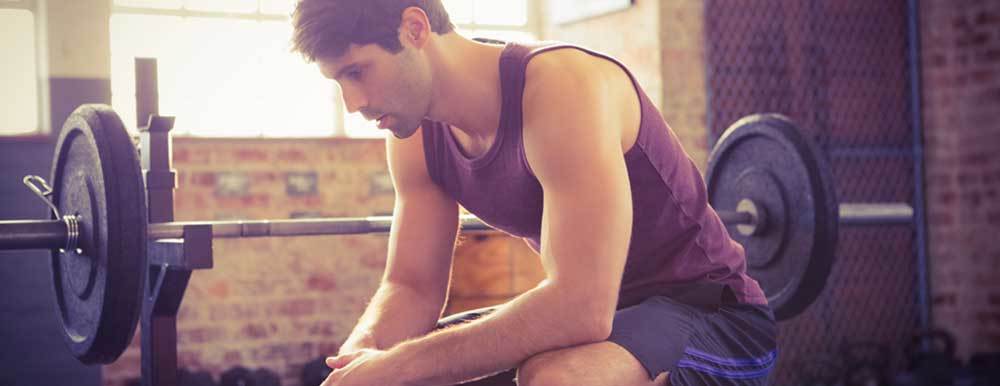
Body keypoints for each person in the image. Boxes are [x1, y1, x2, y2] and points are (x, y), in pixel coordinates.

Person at [291, 1, 777, 385]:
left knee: (556, 380)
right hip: (608, 325)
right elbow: (411, 288)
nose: (352, 103)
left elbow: (579, 308)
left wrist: (398, 367)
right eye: (339, 82)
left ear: (414, 29)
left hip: (714, 319)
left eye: (357, 72)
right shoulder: (413, 136)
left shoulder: (561, 88)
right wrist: (359, 362)